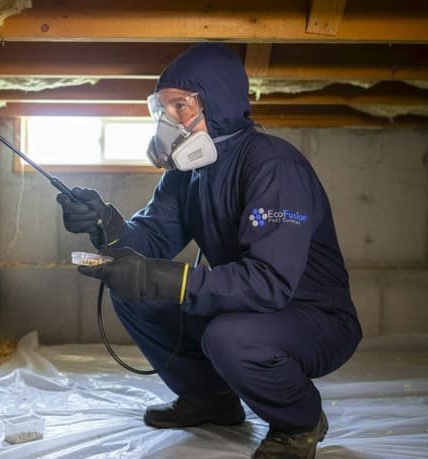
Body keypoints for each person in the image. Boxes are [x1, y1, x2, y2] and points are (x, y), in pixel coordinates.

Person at [56, 43, 362, 459]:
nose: (168, 122)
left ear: (217, 103)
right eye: (161, 110)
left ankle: (300, 422)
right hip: (246, 306)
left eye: (179, 106)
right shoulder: (189, 174)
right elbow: (149, 238)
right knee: (134, 294)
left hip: (313, 318)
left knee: (229, 336)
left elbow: (269, 284)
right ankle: (210, 400)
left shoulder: (273, 166)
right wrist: (105, 224)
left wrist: (164, 279)